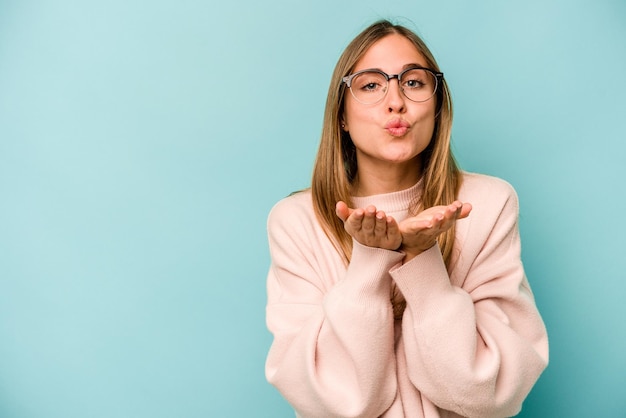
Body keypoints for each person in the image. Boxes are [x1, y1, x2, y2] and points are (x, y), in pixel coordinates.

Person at [264, 19, 548, 418]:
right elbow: (344, 402)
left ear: (437, 106)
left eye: (413, 82)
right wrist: (369, 259)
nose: (395, 101)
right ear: (341, 115)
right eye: (371, 84)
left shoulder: (487, 202)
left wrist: (423, 260)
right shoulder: (296, 221)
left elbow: (488, 395)